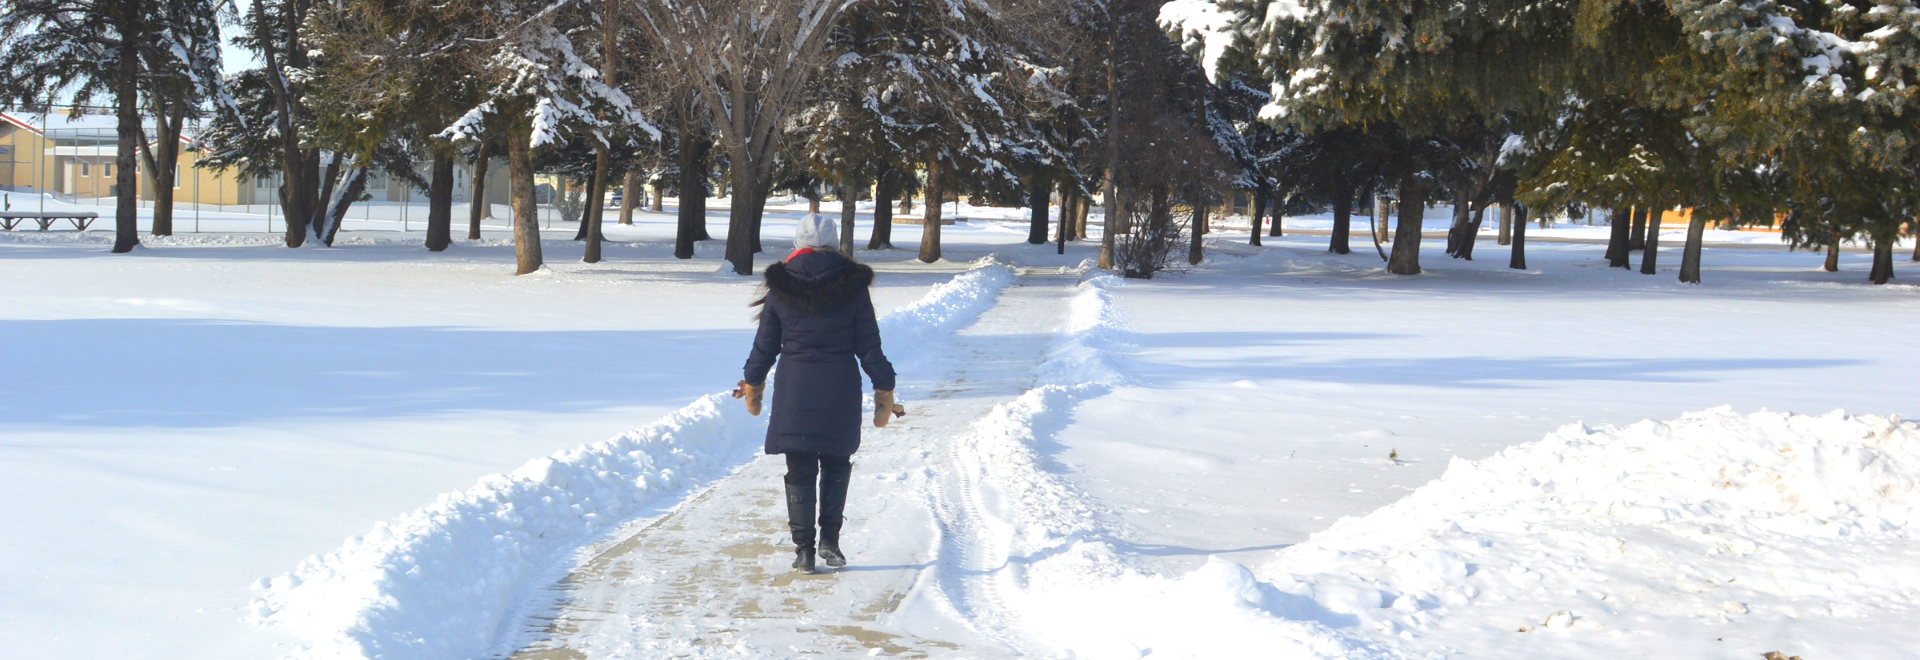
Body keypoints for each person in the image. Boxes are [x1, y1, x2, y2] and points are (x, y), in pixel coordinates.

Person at [734, 213, 906, 572]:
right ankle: (830, 539)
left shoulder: (781, 286)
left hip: (795, 389)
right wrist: (884, 387)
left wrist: (752, 381)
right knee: (836, 462)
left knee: (798, 468)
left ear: (797, 244)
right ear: (834, 245)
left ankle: (804, 550)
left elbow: (764, 346)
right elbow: (869, 347)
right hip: (839, 389)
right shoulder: (853, 286)